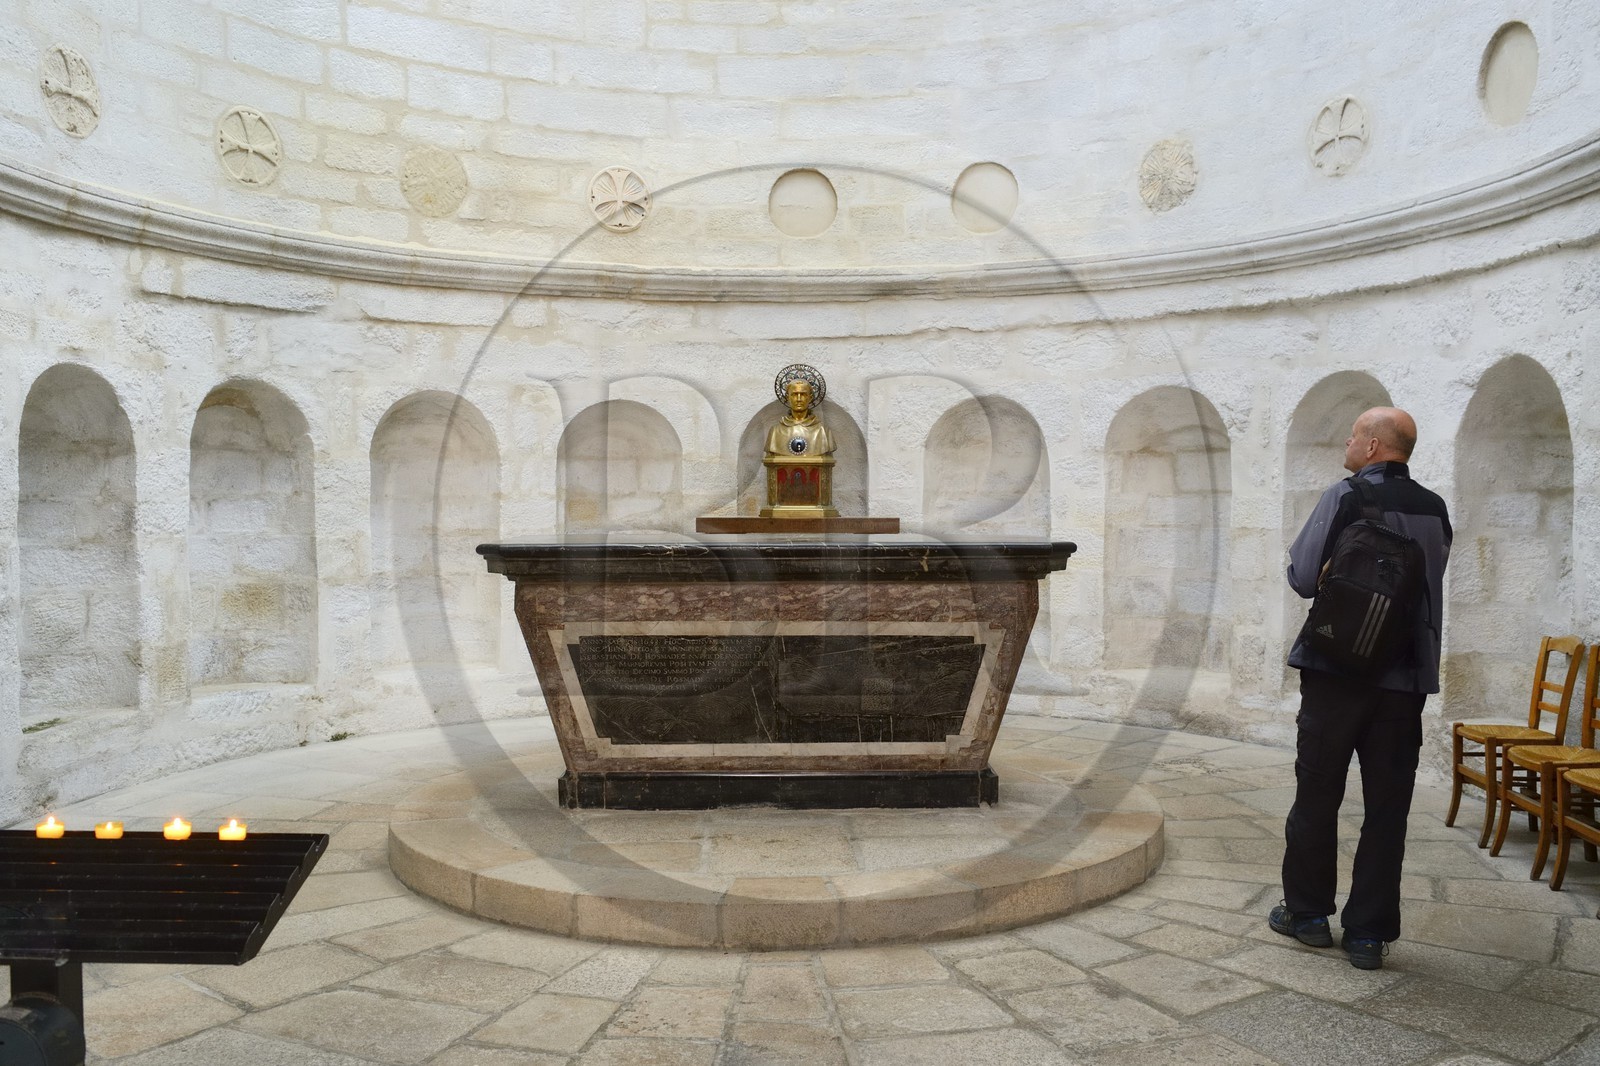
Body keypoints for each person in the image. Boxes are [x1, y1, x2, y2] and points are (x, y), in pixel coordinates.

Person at [1271, 406, 1452, 970]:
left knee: (1318, 792)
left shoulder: (1345, 495)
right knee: (1388, 806)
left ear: (1373, 446)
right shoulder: (1435, 508)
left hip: (1337, 672)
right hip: (1406, 678)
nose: (1346, 444)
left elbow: (1302, 577)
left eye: (1352, 436)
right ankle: (1370, 934)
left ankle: (1306, 915)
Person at [764, 378, 834, 458]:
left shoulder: (823, 432)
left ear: (810, 398)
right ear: (787, 397)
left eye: (803, 394)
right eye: (794, 394)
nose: (799, 399)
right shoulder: (775, 432)